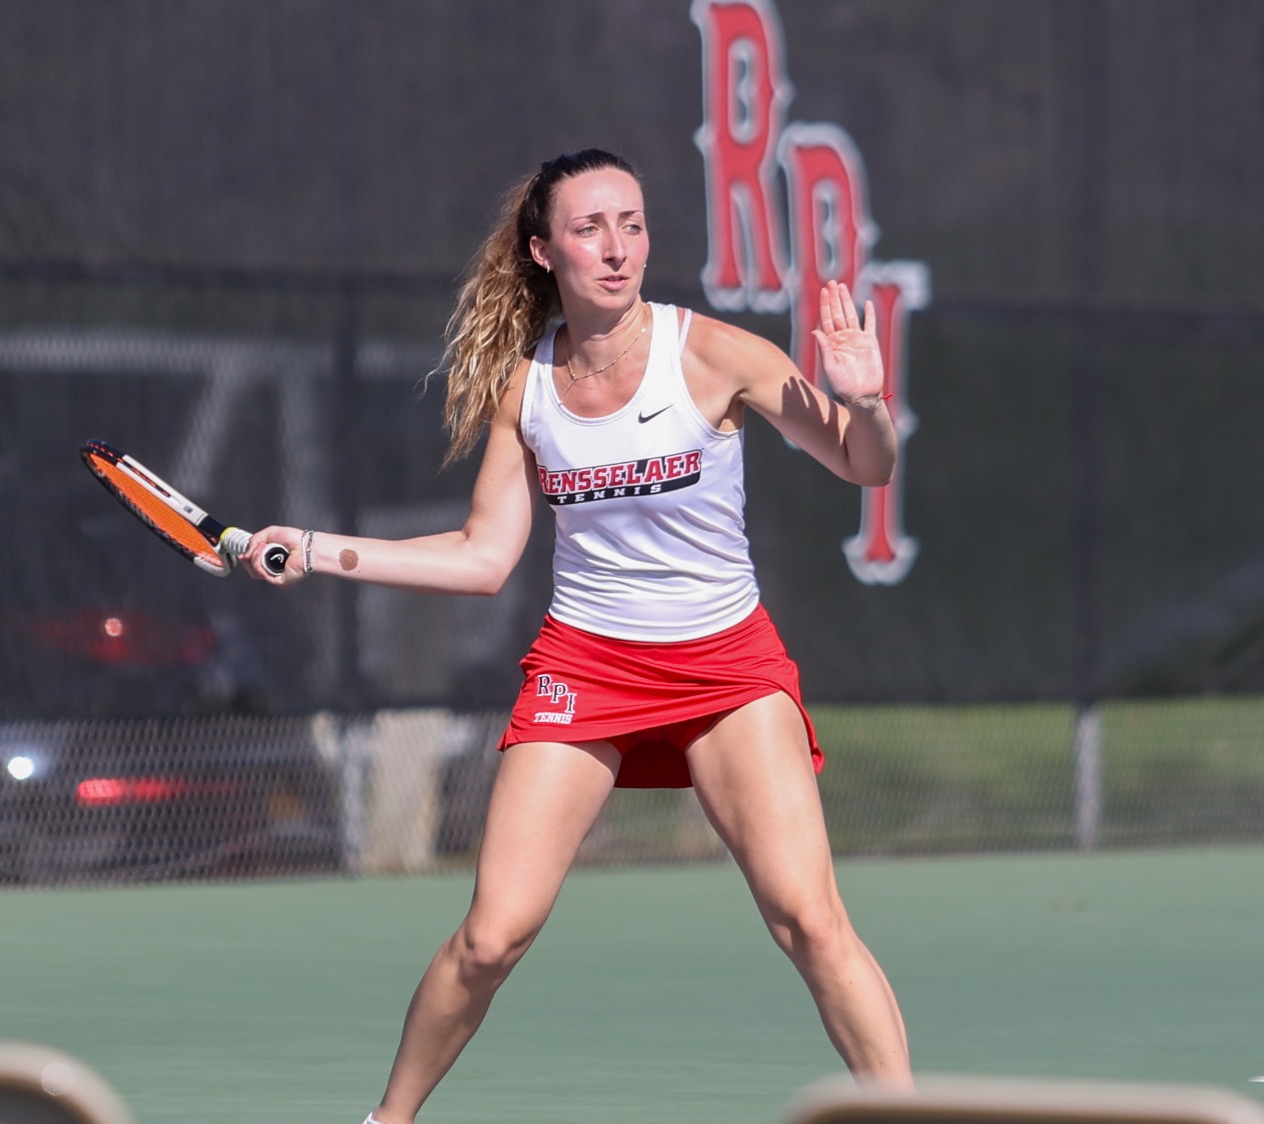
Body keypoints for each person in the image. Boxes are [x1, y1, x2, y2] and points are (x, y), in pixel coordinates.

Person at [243, 147, 911, 1123]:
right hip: (585, 667)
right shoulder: (526, 390)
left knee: (810, 921)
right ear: (544, 250)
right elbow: (481, 557)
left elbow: (865, 465)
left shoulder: (716, 355)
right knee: (490, 938)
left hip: (726, 666)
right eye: (590, 228)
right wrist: (313, 548)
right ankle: (385, 1121)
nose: (617, 247)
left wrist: (866, 399)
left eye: (631, 224)